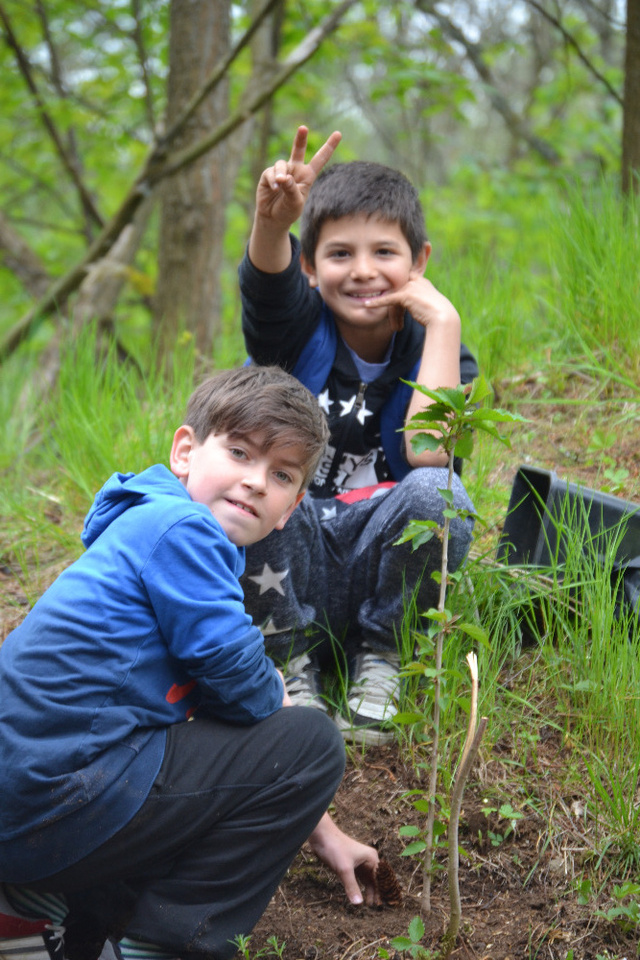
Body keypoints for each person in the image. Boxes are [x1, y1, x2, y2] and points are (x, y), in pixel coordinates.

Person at [0, 365, 379, 960]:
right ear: (185, 450)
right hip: (57, 797)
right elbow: (239, 680)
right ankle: (161, 943)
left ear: (291, 508)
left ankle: (42, 917)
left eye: (280, 474)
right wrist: (271, 688)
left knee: (177, 742)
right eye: (238, 452)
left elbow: (224, 734)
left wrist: (321, 831)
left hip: (34, 802)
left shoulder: (145, 526)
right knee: (311, 740)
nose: (255, 481)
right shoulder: (183, 528)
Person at [239, 126, 478, 745]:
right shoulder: (297, 331)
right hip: (293, 560)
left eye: (385, 253)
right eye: (341, 254)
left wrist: (443, 321)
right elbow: (267, 288)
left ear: (420, 261)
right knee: (249, 485)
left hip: (383, 567)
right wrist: (273, 224)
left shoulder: (440, 353)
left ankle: (384, 659)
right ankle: (288, 664)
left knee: (439, 492)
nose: (364, 271)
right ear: (312, 268)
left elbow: (430, 453)